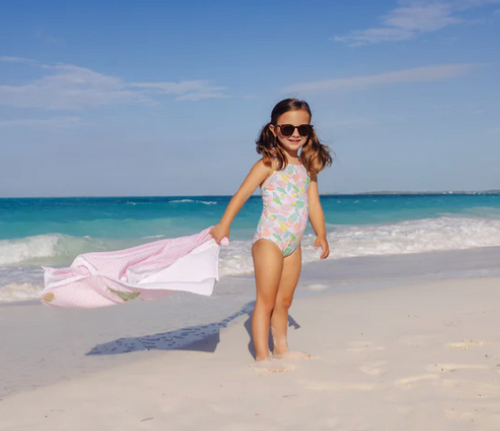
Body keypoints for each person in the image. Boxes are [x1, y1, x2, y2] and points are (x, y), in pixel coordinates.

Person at [210, 98, 332, 371]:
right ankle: (262, 357)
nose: (295, 134)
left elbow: (313, 203)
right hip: (269, 240)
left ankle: (281, 349)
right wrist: (224, 224)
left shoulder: (307, 168)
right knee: (265, 300)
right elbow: (240, 196)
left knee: (284, 301)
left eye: (303, 128)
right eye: (287, 129)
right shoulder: (268, 164)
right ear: (274, 130)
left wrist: (321, 234)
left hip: (293, 243)